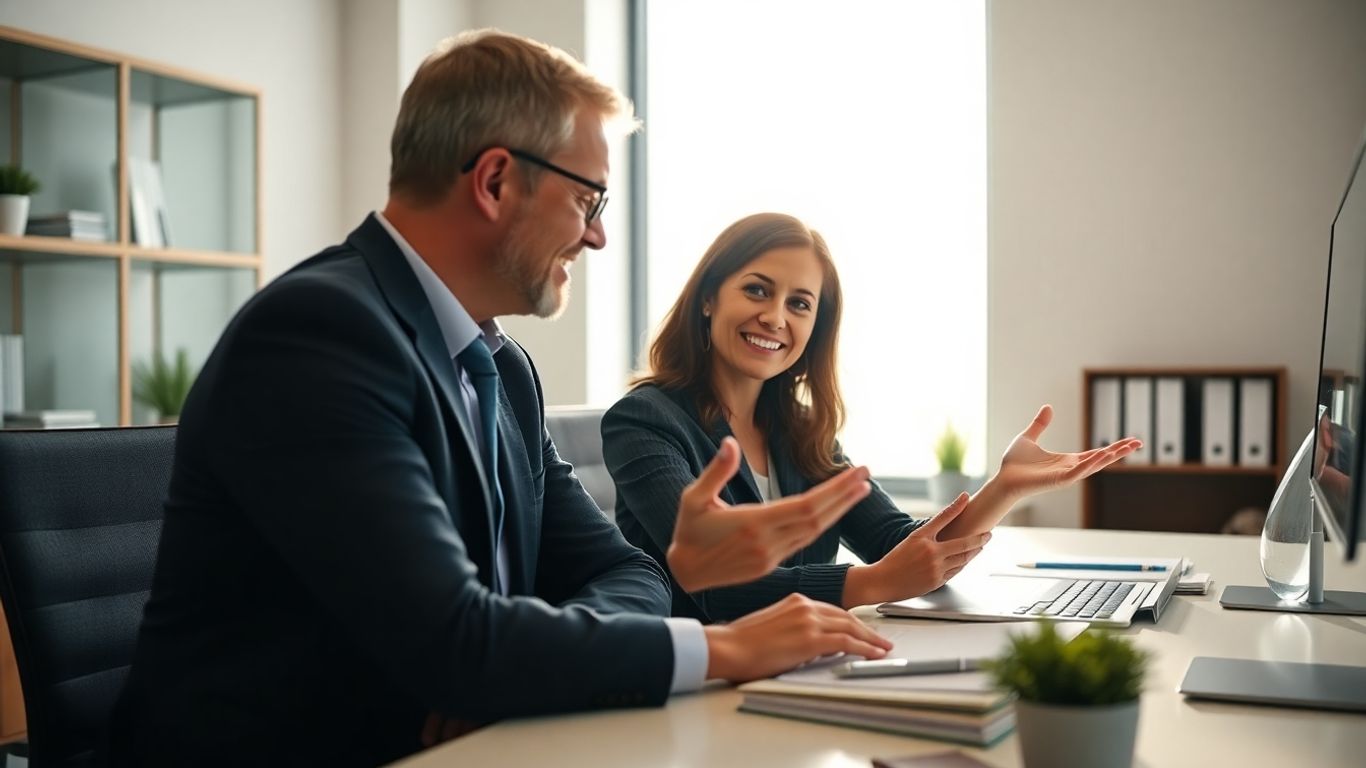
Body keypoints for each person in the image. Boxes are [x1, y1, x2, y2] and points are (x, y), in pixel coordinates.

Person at [105, 33, 891, 767]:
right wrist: (725, 649)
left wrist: (507, 669)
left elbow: (627, 574)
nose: (597, 238)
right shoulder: (319, 335)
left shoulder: (502, 368)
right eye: (589, 201)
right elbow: (454, 642)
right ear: (494, 181)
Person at [603, 212, 1141, 623]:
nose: (775, 316)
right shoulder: (645, 420)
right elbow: (712, 585)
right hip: (695, 681)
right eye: (758, 289)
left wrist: (1003, 489)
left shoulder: (801, 431)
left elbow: (902, 550)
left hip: (799, 668)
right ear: (707, 299)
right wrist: (870, 583)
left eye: (800, 304)